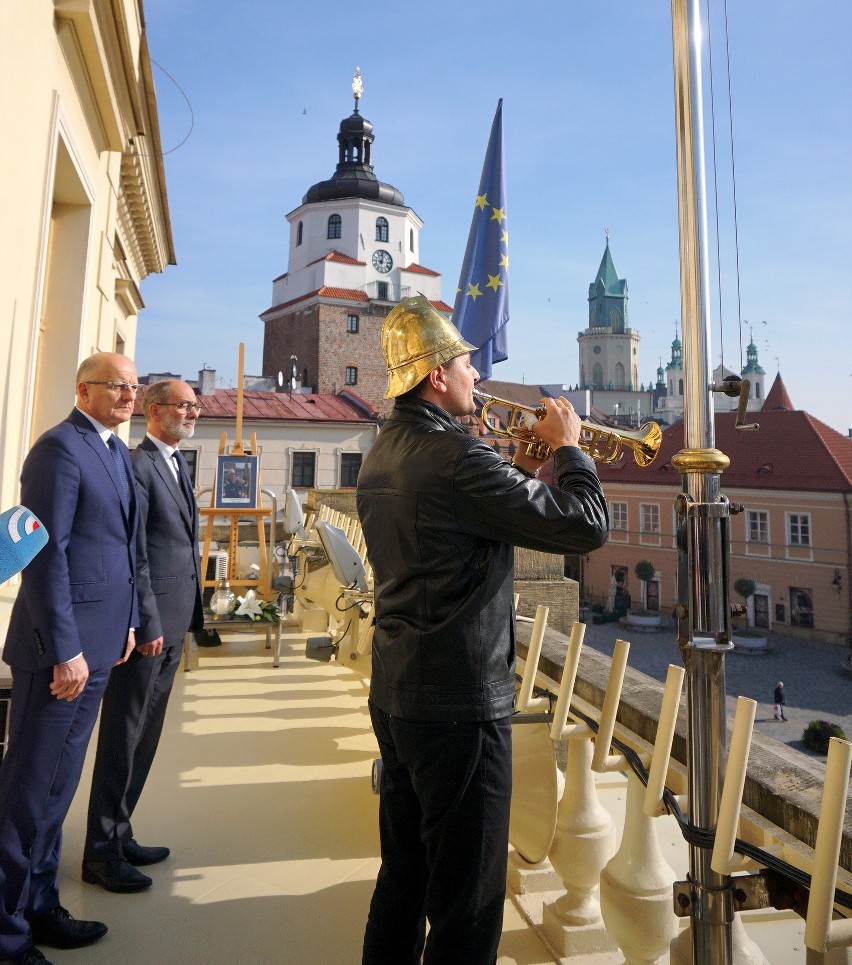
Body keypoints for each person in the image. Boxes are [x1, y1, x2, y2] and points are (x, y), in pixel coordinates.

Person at [356, 296, 610, 965]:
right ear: (436, 375)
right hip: (459, 704)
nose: (478, 374)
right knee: (467, 905)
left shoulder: (385, 450)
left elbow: (453, 530)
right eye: (467, 362)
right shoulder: (458, 456)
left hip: (398, 689)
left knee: (404, 878)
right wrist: (570, 451)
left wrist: (518, 470)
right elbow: (584, 525)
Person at [0, 353, 140, 965]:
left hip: (101, 645)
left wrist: (129, 622)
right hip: (61, 656)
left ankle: (39, 908)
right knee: (27, 798)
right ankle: (6, 937)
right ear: (84, 388)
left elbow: (118, 546)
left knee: (57, 791)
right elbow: (43, 554)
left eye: (135, 386)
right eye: (117, 386)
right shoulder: (60, 449)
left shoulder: (111, 450)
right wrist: (67, 650)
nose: (129, 395)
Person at [82, 381, 204, 894]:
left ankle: (122, 831)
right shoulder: (139, 464)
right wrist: (148, 623)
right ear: (155, 412)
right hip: (151, 629)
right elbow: (138, 553)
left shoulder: (175, 461)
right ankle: (100, 852)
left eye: (197, 406)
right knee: (123, 736)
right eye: (184, 406)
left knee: (147, 737)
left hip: (175, 624)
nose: (193, 413)